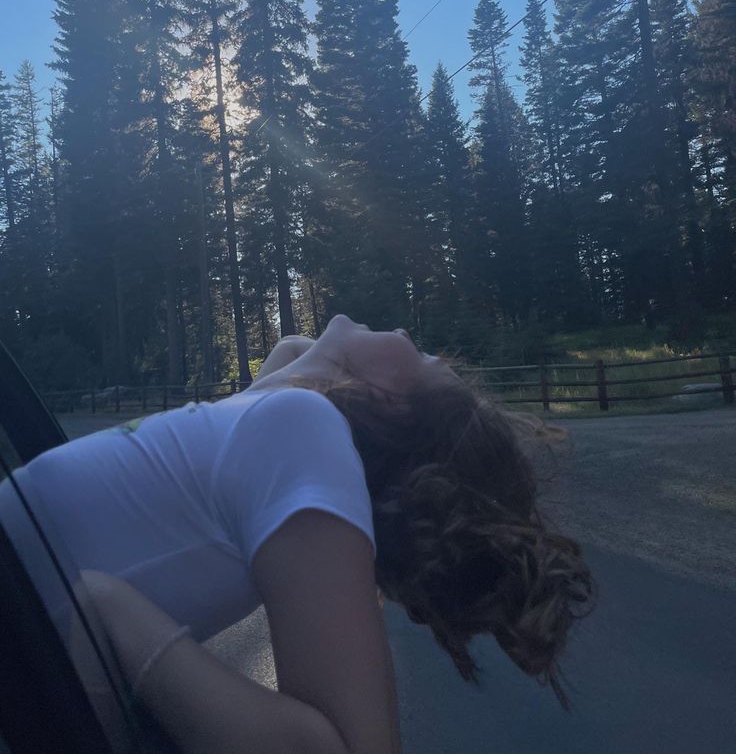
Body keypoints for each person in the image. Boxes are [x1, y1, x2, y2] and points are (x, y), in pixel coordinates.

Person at [2, 314, 593, 754]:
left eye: (429, 357)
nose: (408, 333)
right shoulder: (267, 417)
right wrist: (323, 361)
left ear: (390, 402)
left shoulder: (304, 430)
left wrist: (113, 621)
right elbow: (293, 354)